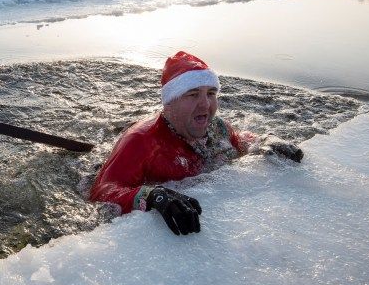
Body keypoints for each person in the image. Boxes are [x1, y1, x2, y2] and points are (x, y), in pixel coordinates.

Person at [89, 51, 303, 235]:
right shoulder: (140, 142)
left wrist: (266, 141)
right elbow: (102, 191)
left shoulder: (217, 127)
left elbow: (241, 140)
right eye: (193, 95)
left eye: (211, 94)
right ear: (169, 103)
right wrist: (153, 196)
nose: (205, 104)